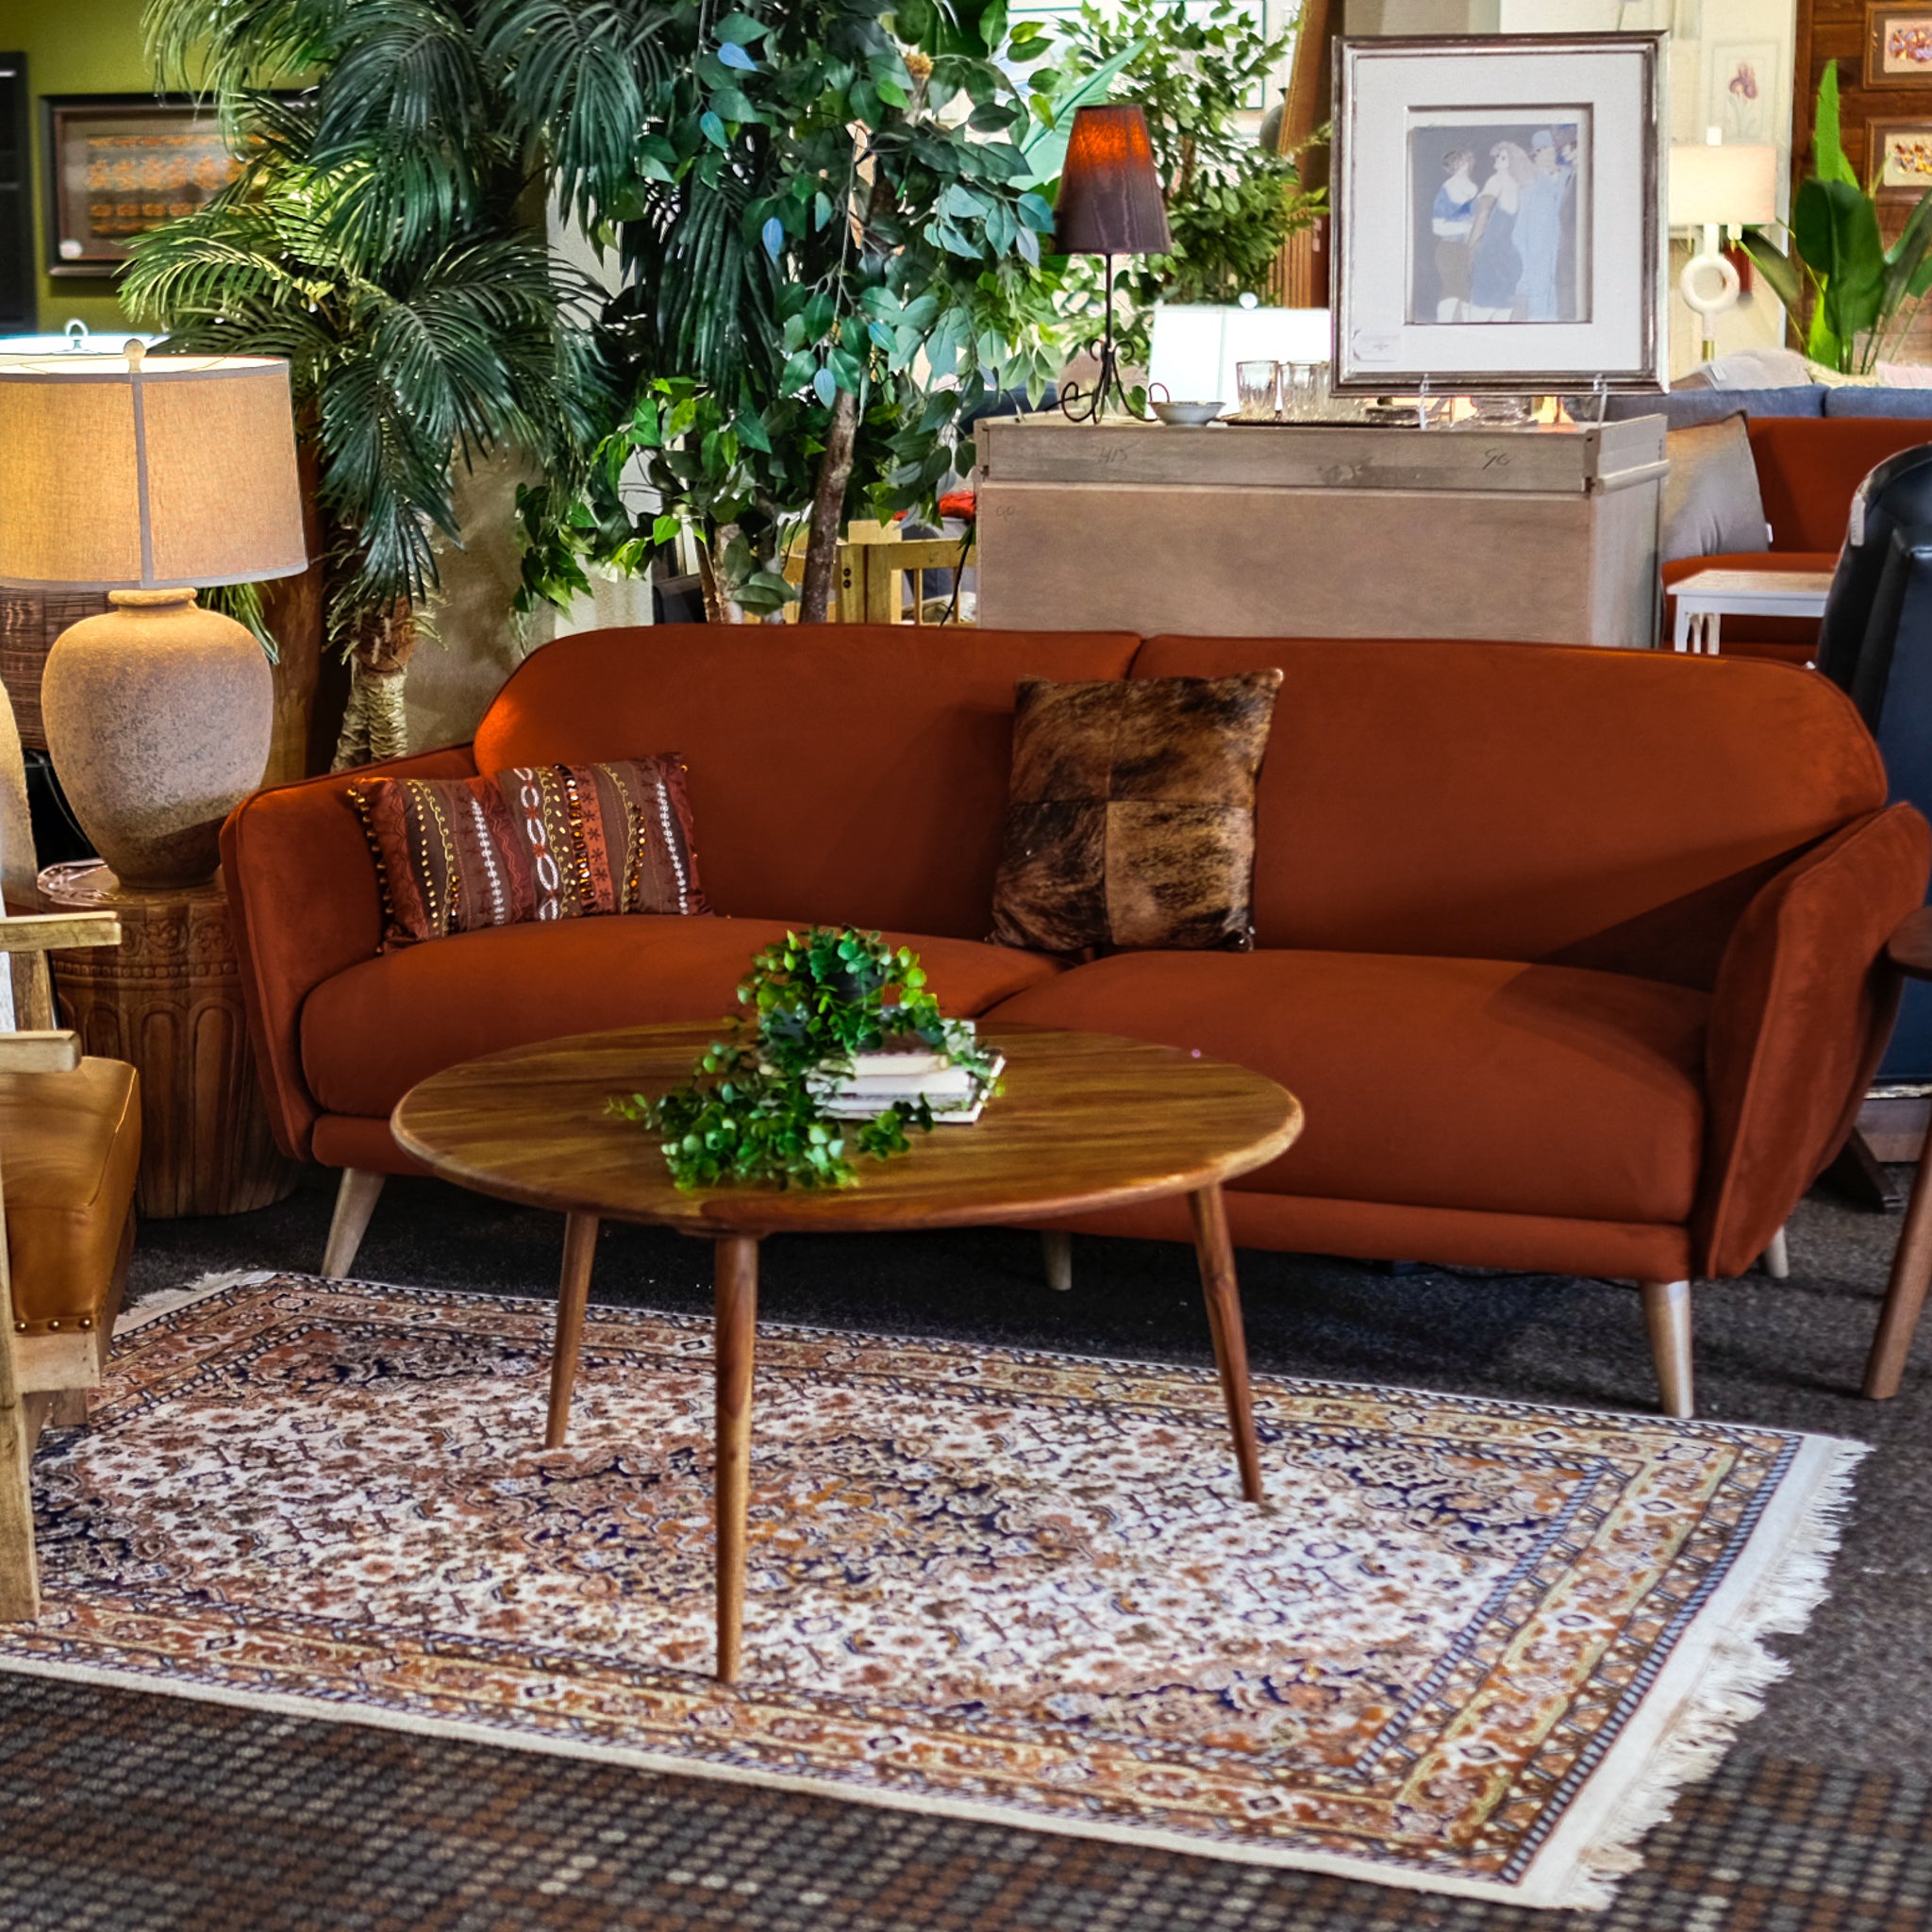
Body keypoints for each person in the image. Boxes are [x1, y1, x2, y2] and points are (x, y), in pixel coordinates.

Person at [1467, 142, 1529, 320]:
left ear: (1512, 163)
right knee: (1502, 314)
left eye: (1504, 157)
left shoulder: (1496, 180)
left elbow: (1482, 215)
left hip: (1490, 255)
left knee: (1479, 314)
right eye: (1498, 156)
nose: (1498, 160)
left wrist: (1472, 247)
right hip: (1509, 258)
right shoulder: (1518, 187)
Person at [1515, 129, 1570, 322]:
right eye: (1542, 150)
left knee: (1559, 298)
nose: (1548, 154)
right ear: (1534, 153)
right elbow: (1519, 232)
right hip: (1537, 254)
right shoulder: (1528, 183)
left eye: (1551, 149)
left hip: (1562, 250)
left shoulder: (1566, 176)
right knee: (1538, 304)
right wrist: (1526, 266)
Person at [1430, 147, 1479, 322]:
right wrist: (1466, 227)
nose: (1466, 164)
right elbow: (1438, 227)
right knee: (1452, 292)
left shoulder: (1473, 189)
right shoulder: (1447, 189)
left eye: (1467, 161)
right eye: (1462, 161)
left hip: (1468, 250)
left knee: (1467, 295)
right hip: (1450, 250)